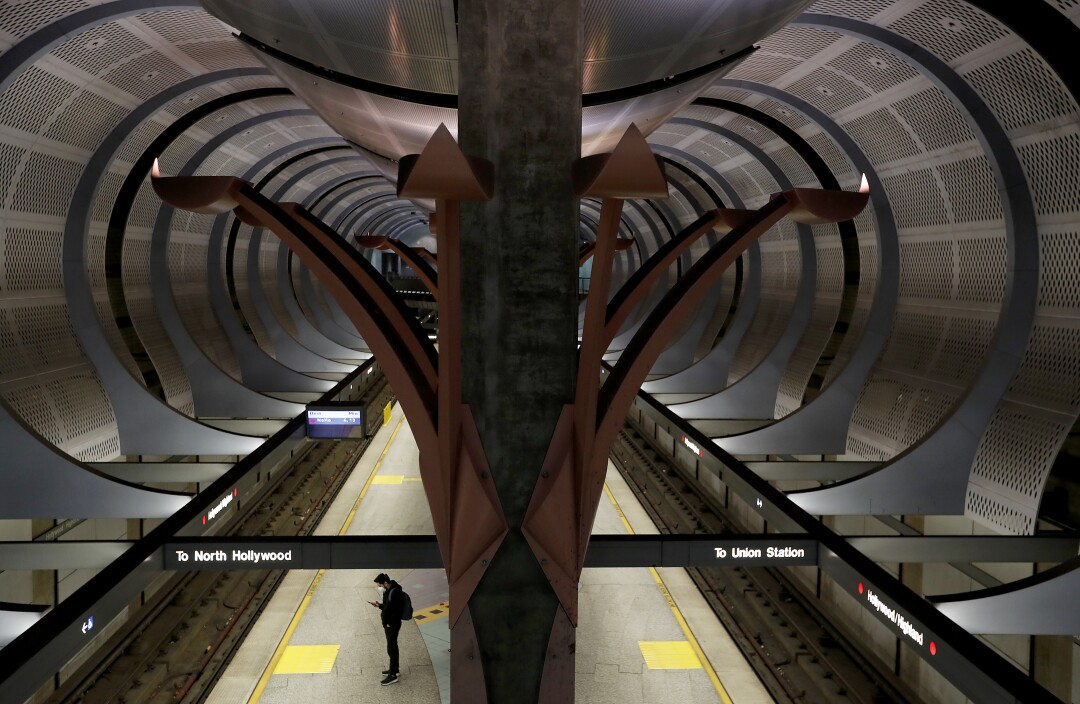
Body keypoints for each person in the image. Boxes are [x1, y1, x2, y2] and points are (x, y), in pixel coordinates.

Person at [368, 572, 404, 685]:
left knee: (391, 648)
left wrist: (389, 623)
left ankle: (393, 675)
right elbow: (388, 608)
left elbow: (396, 611)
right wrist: (379, 605)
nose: (379, 587)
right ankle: (395, 669)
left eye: (379, 585)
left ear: (385, 583)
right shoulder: (389, 590)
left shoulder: (395, 592)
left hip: (392, 625)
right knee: (392, 646)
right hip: (389, 624)